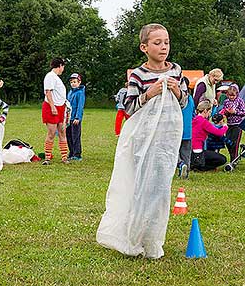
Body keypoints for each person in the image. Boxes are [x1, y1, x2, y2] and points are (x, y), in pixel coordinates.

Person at [96, 23, 188, 259]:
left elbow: (185, 103)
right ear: (144, 47)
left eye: (166, 42)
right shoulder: (138, 75)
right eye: (157, 43)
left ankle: (153, 240)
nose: (164, 47)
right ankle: (134, 236)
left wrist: (177, 92)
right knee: (141, 188)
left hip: (166, 141)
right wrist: (151, 93)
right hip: (144, 141)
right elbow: (128, 108)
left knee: (159, 189)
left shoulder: (176, 70)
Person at [41, 57, 69, 165]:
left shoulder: (57, 78)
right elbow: (48, 92)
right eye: (63, 66)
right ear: (60, 66)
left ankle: (64, 157)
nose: (63, 69)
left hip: (61, 107)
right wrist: (53, 107)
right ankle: (47, 157)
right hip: (51, 107)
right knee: (52, 133)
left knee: (62, 131)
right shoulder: (50, 76)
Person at [220, 85, 245, 163]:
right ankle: (232, 156)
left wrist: (235, 112)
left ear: (237, 94)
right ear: (227, 95)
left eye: (233, 95)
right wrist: (225, 112)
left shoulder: (240, 101)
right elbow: (224, 111)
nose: (231, 97)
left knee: (235, 143)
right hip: (229, 124)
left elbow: (244, 112)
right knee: (228, 141)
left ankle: (234, 160)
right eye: (230, 95)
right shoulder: (226, 102)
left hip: (238, 125)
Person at [177, 76, 194, 179]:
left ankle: (180, 164)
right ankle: (186, 172)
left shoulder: (176, 99)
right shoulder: (190, 98)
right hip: (188, 130)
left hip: (177, 129)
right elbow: (193, 113)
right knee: (186, 152)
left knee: (173, 151)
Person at [66, 73, 85, 161]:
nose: (73, 84)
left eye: (75, 82)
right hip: (68, 118)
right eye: (71, 82)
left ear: (79, 82)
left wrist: (78, 117)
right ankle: (71, 152)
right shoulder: (70, 92)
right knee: (68, 136)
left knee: (75, 136)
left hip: (75, 119)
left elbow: (80, 106)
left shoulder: (80, 93)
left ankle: (77, 154)